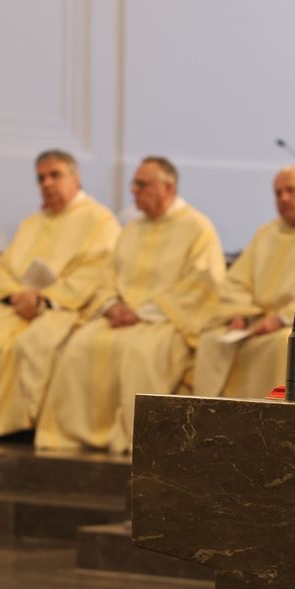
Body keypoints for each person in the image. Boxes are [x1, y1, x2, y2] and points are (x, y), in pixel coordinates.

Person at [36, 157, 223, 454]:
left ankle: (133, 441)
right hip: (120, 317)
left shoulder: (198, 228)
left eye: (141, 184)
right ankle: (70, 436)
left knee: (140, 353)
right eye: (133, 184)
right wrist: (111, 306)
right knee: (79, 345)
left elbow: (201, 287)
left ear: (168, 187)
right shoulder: (132, 230)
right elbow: (107, 275)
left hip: (163, 321)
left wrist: (143, 312)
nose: (133, 191)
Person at [0, 151, 119, 438]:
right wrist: (15, 296)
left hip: (63, 308)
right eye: (41, 178)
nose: (46, 183)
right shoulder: (33, 222)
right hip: (18, 304)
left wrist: (44, 299)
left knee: (33, 343)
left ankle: (23, 424)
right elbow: (4, 266)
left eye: (55, 175)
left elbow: (96, 272)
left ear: (75, 178)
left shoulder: (100, 221)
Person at [193, 166, 295, 400]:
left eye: (291, 190)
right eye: (278, 193)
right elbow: (236, 283)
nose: (284, 198)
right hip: (258, 323)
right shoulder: (266, 233)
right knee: (212, 341)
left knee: (285, 345)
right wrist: (242, 315)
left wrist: (281, 318)